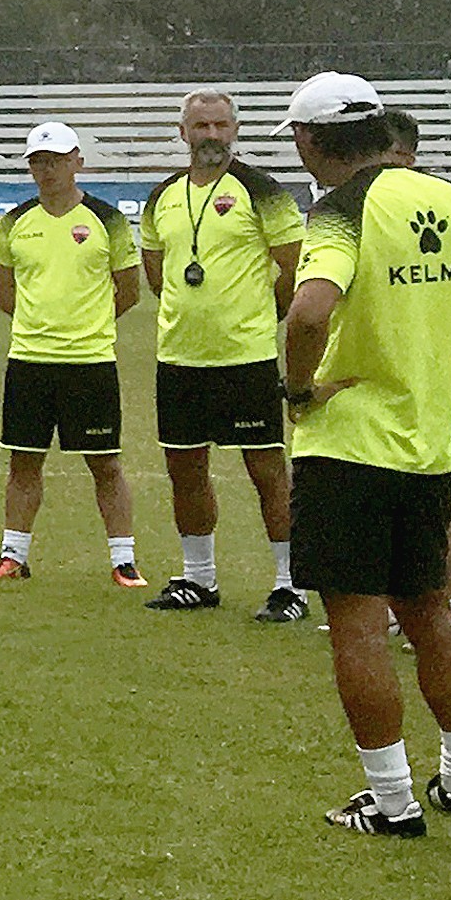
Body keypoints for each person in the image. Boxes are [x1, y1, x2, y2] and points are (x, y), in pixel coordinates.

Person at [279, 71, 451, 835]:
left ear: (311, 140)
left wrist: (297, 390)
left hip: (348, 448)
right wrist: (450, 385)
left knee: (356, 626)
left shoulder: (339, 210)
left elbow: (309, 309)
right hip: (426, 450)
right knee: (431, 615)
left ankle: (390, 801)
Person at [135, 92, 307, 619]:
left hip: (246, 358)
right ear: (183, 132)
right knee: (185, 469)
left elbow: (293, 270)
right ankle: (199, 578)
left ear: (235, 130)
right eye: (200, 125)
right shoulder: (163, 195)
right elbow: (156, 274)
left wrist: (257, 319)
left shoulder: (262, 191)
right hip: (180, 358)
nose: (211, 134)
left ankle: (290, 585)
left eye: (220, 125)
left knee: (266, 471)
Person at [0, 123, 143, 586]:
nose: (47, 170)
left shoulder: (108, 220)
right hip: (29, 361)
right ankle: (13, 557)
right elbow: (3, 295)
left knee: (105, 463)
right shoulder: (14, 222)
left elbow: (128, 292)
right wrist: (41, 326)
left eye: (57, 160)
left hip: (90, 362)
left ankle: (123, 559)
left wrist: (86, 326)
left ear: (77, 162)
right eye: (39, 161)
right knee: (24, 463)